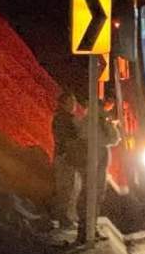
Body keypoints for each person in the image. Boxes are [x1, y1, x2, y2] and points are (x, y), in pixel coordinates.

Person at [75, 98, 121, 244]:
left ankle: (88, 229)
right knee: (93, 193)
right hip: (95, 154)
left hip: (93, 154)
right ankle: (88, 230)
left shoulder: (85, 120)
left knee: (92, 193)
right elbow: (114, 138)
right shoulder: (99, 120)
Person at [51, 90, 86, 230]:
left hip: (71, 158)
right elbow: (67, 139)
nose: (74, 105)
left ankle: (69, 217)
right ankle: (64, 218)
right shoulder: (62, 119)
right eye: (70, 102)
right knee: (67, 189)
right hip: (65, 157)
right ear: (63, 104)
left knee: (74, 188)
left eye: (74, 102)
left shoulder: (68, 118)